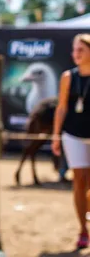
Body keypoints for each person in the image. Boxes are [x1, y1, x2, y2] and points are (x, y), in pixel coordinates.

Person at [52, 34, 90, 249]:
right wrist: (56, 135)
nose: (76, 54)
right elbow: (62, 106)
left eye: (81, 50)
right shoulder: (68, 76)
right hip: (72, 134)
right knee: (79, 180)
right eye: (74, 50)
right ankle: (83, 230)